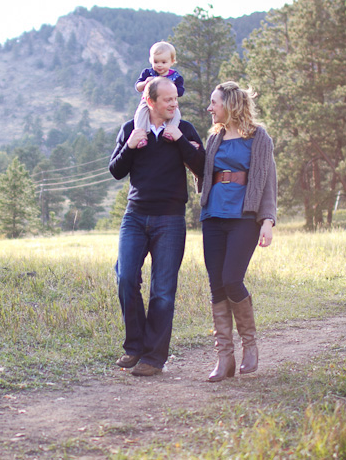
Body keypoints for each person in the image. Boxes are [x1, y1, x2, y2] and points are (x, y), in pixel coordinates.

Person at [109, 76, 204, 377]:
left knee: (162, 291)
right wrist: (130, 145)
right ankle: (134, 346)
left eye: (176, 98)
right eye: (168, 99)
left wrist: (179, 140)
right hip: (135, 216)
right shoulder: (131, 129)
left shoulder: (184, 129)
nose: (174, 103)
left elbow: (203, 166)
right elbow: (115, 170)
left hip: (171, 219)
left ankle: (154, 358)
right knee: (125, 277)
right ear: (150, 101)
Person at [198, 81, 277, 381]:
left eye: (214, 103)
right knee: (216, 285)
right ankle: (224, 358)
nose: (209, 108)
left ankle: (250, 346)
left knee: (232, 279)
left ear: (229, 104)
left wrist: (267, 221)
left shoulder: (259, 137)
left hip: (244, 217)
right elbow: (203, 173)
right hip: (212, 216)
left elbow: (268, 181)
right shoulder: (214, 138)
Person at [132, 41, 185, 148]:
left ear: (172, 61)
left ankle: (170, 132)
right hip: (147, 101)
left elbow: (180, 91)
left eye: (163, 62)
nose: (159, 65)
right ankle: (141, 136)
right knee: (141, 113)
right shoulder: (148, 73)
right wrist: (145, 82)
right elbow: (138, 87)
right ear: (151, 60)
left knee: (177, 114)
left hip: (169, 103)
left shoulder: (175, 77)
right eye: (156, 62)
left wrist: (171, 88)